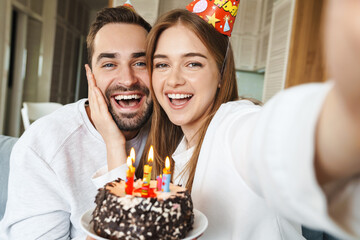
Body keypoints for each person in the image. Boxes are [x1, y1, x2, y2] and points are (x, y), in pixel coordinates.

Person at [90, 0, 360, 239]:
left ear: (220, 74)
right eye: (162, 64)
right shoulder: (176, 151)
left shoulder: (234, 126)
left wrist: (346, 115)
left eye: (193, 63)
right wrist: (114, 141)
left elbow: (278, 141)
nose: (174, 80)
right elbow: (129, 221)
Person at [0, 6, 152, 239]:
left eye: (140, 63)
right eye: (109, 64)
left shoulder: (171, 130)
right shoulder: (44, 146)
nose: (128, 79)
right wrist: (114, 142)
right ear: (90, 75)